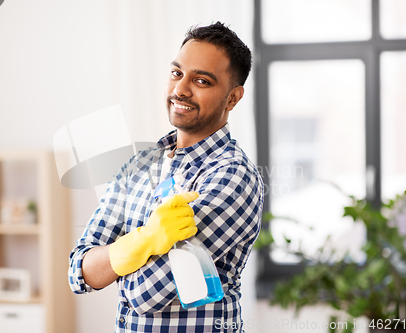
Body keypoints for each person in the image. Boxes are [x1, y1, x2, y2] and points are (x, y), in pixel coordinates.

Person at [68, 21, 264, 332]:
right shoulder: (141, 163)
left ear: (232, 98)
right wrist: (143, 241)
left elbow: (144, 295)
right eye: (176, 73)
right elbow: (80, 271)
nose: (180, 89)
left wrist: (115, 261)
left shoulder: (233, 176)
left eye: (201, 80)